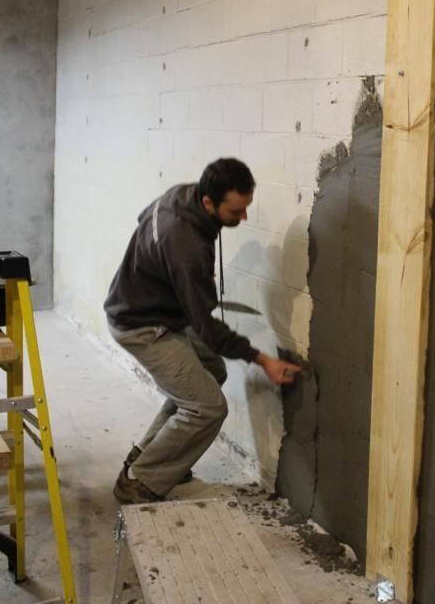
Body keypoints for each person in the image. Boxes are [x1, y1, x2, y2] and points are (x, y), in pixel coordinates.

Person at [104, 157, 301, 504]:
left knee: (211, 371)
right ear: (209, 203)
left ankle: (148, 454)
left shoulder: (183, 195)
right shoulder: (187, 248)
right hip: (141, 326)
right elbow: (207, 327)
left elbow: (142, 218)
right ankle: (138, 480)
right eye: (237, 211)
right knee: (209, 407)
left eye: (246, 208)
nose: (244, 218)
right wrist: (262, 360)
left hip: (155, 310)